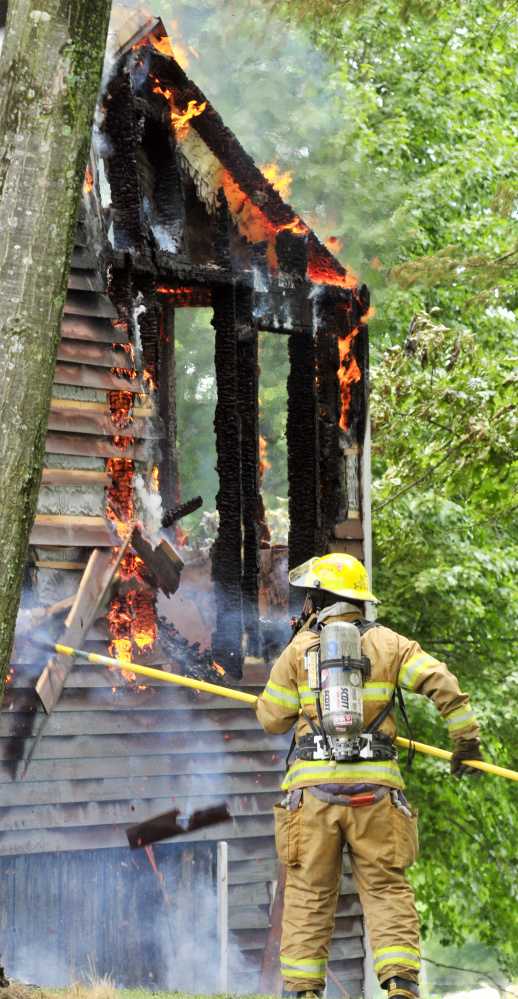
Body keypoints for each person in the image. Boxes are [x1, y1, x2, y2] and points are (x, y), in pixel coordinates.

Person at [254, 553, 484, 999]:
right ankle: (400, 985)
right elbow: (443, 684)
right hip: (376, 796)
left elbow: (272, 720)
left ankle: (303, 991)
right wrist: (465, 741)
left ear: (322, 599)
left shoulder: (300, 650)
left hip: (313, 798)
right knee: (385, 889)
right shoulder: (392, 644)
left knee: (308, 895)